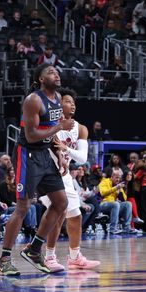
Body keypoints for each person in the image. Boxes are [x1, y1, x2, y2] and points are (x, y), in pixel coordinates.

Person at [0, 65, 71, 276]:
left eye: (57, 71)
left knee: (61, 202)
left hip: (45, 154)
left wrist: (60, 155)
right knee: (23, 207)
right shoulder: (33, 100)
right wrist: (60, 128)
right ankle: (4, 260)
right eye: (50, 72)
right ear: (40, 78)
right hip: (27, 154)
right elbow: (31, 135)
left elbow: (50, 132)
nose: (56, 74)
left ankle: (35, 249)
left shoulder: (57, 98)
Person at [39, 88, 100, 271]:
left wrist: (66, 149)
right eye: (67, 101)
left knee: (76, 216)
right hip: (46, 173)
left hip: (64, 174)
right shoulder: (50, 123)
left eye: (74, 102)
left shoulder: (80, 128)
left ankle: (74, 257)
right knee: (57, 213)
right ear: (58, 104)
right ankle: (49, 257)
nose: (72, 104)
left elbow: (81, 158)